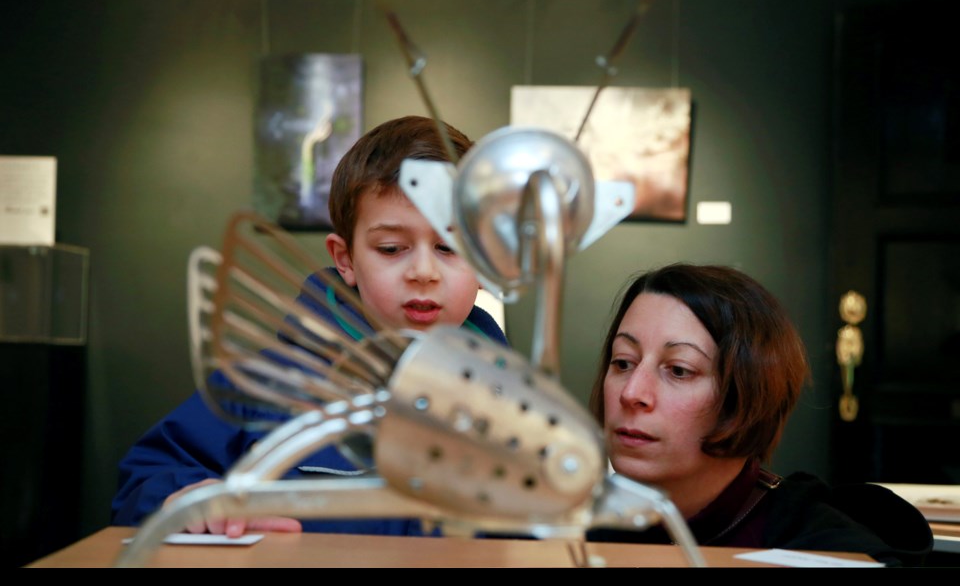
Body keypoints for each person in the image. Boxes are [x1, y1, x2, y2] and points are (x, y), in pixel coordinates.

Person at [111, 115, 507, 538]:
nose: (424, 271)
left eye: (449, 247)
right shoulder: (262, 386)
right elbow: (144, 481)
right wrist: (186, 500)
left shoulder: (514, 404)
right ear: (346, 259)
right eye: (392, 248)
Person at [584, 263, 933, 567]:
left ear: (746, 393)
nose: (631, 393)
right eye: (623, 363)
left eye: (678, 370)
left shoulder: (825, 547)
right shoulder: (572, 525)